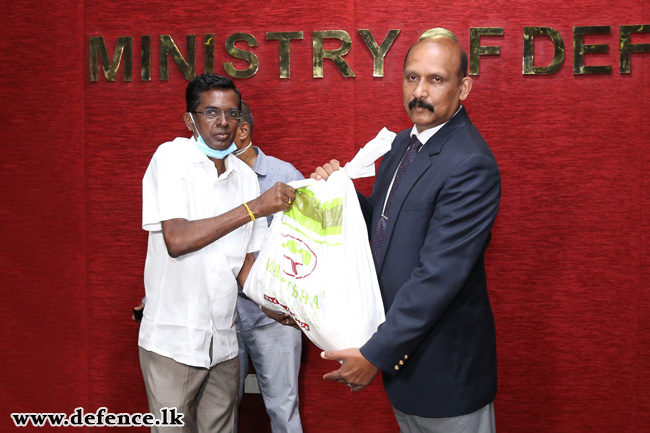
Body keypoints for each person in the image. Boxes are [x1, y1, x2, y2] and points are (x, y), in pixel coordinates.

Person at [311, 32, 501, 433]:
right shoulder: (402, 144)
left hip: (444, 370)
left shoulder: (470, 162)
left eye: (436, 80)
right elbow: (385, 222)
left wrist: (376, 354)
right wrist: (341, 195)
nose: (420, 92)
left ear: (463, 87)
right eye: (412, 78)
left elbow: (439, 276)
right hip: (405, 364)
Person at [138, 73, 296, 433]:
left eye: (231, 113)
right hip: (172, 345)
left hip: (224, 345)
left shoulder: (243, 175)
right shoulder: (171, 157)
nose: (223, 123)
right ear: (190, 120)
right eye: (211, 112)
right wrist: (254, 207)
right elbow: (176, 240)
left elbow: (246, 265)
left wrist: (277, 307)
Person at [233, 101, 304, 433]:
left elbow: (306, 245)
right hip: (221, 316)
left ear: (243, 130)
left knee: (282, 410)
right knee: (216, 413)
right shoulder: (205, 177)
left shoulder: (283, 176)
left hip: (272, 317)